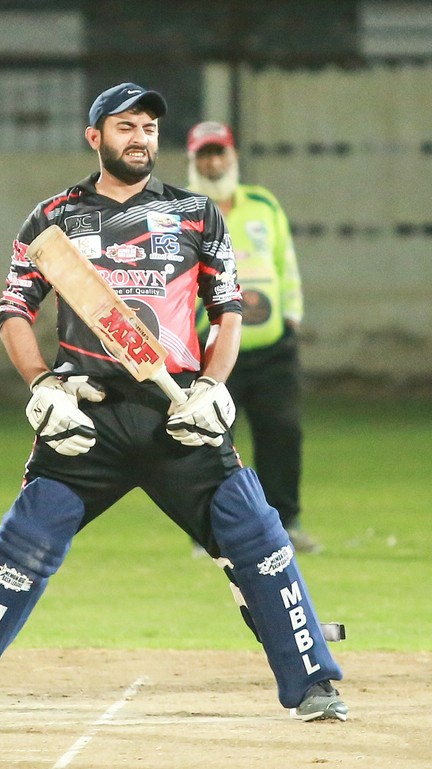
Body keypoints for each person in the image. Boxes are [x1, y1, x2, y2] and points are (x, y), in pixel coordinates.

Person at [0, 83, 347, 728]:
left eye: (148, 127)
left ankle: (313, 682)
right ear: (95, 137)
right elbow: (13, 311)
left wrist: (213, 386)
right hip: (86, 417)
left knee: (256, 533)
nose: (140, 137)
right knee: (24, 544)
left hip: (180, 415)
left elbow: (227, 311)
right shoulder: (54, 218)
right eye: (125, 126)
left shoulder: (196, 214)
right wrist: (41, 385)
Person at [186, 121, 318, 554]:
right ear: (192, 161)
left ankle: (286, 524)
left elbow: (285, 263)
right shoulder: (183, 212)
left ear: (233, 156)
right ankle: (209, 532)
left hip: (271, 349)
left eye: (218, 152)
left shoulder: (263, 205)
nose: (213, 162)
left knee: (282, 434)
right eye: (204, 155)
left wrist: (292, 317)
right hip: (212, 350)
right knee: (209, 441)